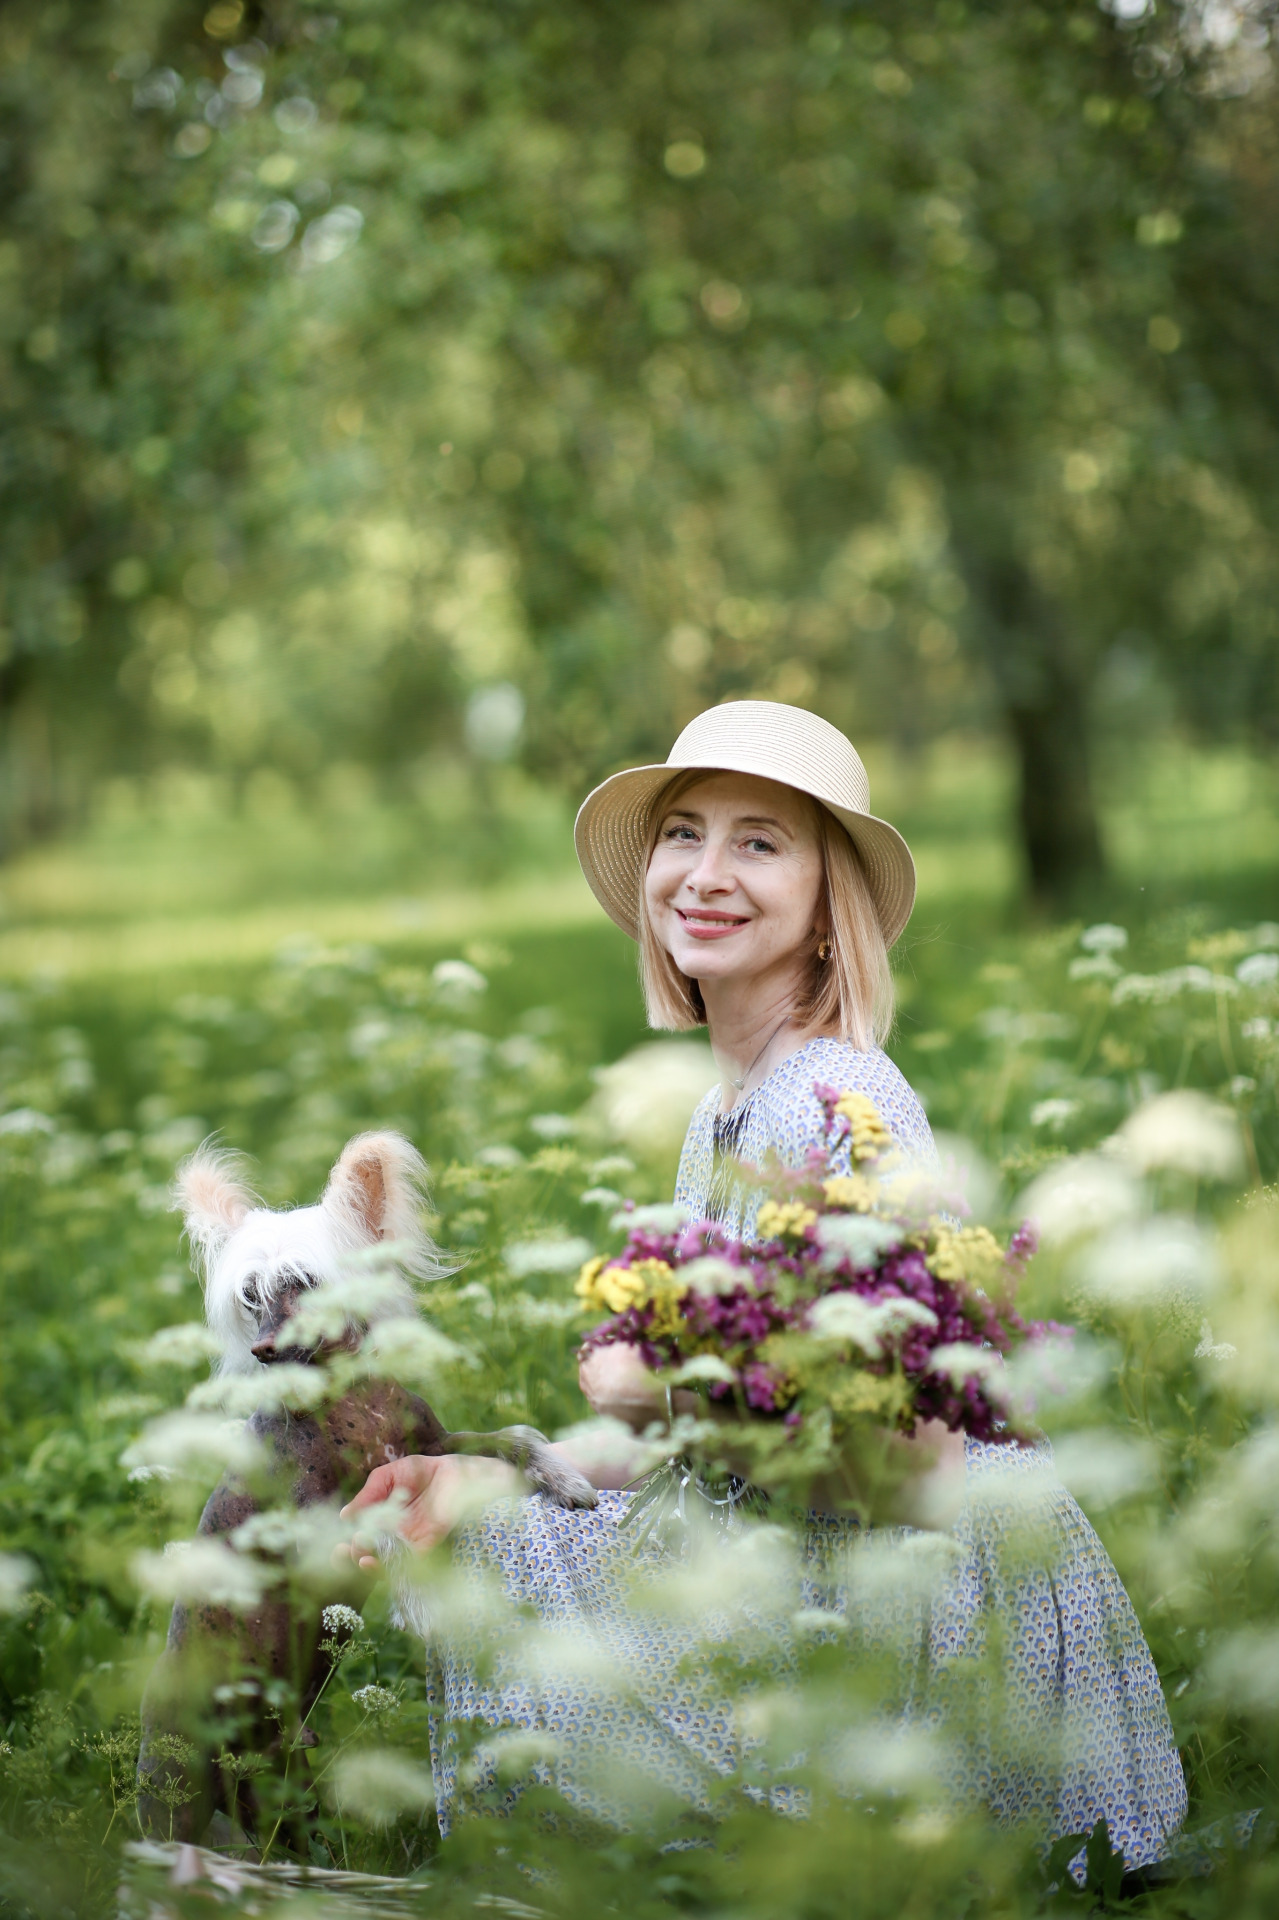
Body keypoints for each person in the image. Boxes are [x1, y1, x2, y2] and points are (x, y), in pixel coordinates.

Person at [342, 700, 1187, 1863]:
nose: (703, 873)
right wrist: (505, 1468)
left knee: (520, 1588)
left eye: (759, 842)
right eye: (684, 833)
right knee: (468, 1520)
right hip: (781, 1543)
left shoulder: (844, 1103)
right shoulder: (722, 1109)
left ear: (826, 903)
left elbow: (904, 1468)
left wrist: (668, 1389)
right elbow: (714, 1426)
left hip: (899, 1606)